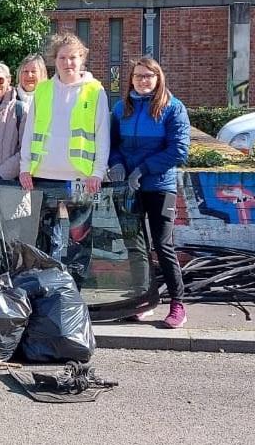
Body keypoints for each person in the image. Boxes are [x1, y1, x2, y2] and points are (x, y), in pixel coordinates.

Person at [18, 33, 109, 288]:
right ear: (54, 61)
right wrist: (25, 167)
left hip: (80, 178)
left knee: (78, 239)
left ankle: (73, 293)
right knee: (44, 239)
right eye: (62, 57)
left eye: (73, 57)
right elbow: (30, 131)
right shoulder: (44, 90)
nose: (68, 62)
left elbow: (102, 134)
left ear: (82, 60)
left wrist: (97, 172)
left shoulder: (95, 90)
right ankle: (45, 291)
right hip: (43, 176)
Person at [109, 56, 191, 328]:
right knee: (135, 247)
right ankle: (142, 302)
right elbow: (112, 144)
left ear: (158, 79)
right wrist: (117, 163)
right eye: (138, 76)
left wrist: (143, 169)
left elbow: (179, 150)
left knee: (162, 244)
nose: (143, 80)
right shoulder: (122, 108)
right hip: (129, 189)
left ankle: (178, 305)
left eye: (149, 76)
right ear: (131, 79)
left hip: (159, 187)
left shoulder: (172, 108)